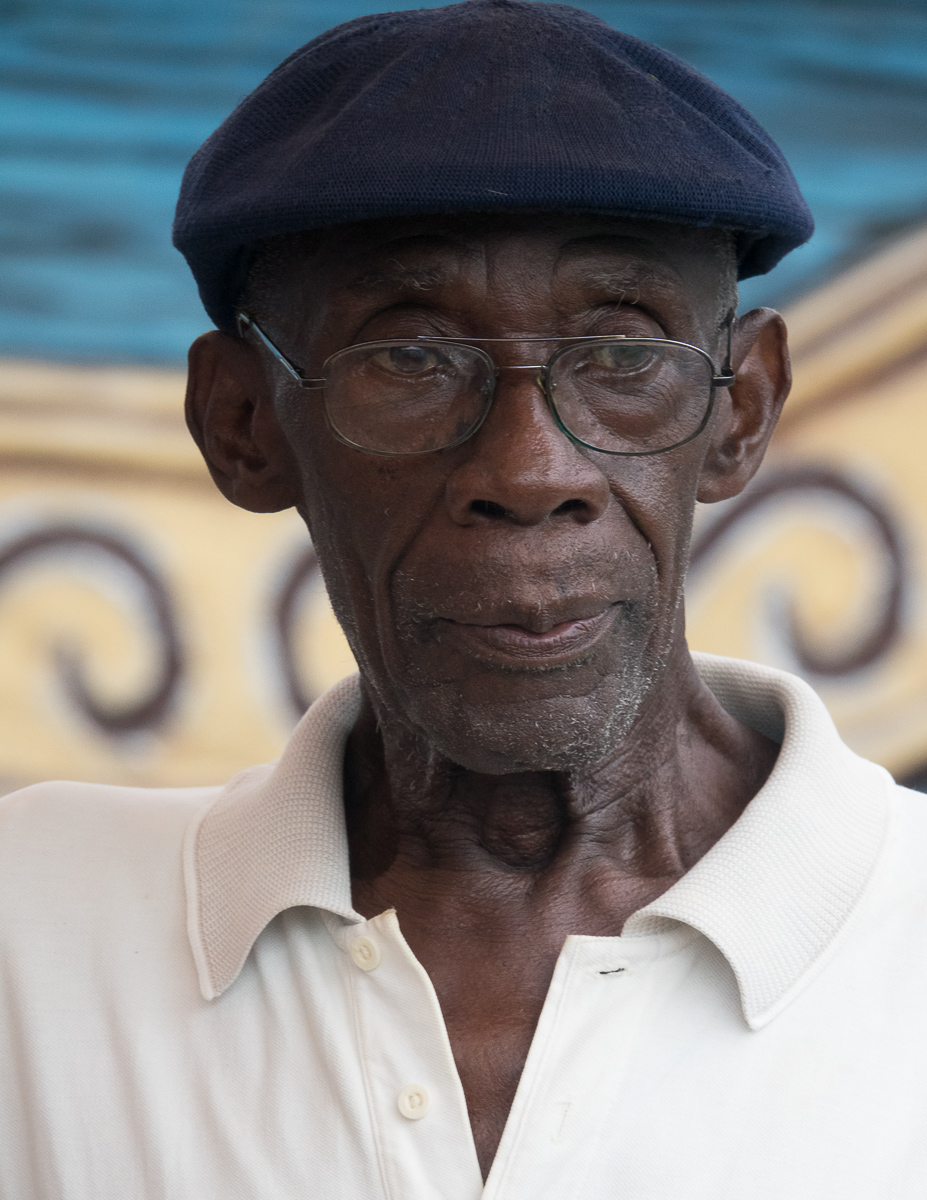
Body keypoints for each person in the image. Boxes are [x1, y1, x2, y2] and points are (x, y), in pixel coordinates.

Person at [2, 2, 925, 1196]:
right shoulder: (32, 929)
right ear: (241, 426)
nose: (530, 472)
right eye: (411, 356)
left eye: (623, 352)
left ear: (740, 409)